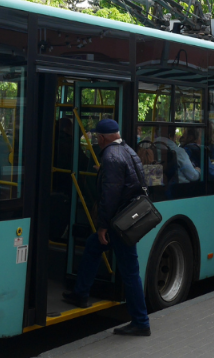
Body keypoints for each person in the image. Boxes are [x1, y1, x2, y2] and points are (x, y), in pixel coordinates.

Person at [63, 119, 151, 335]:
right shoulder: (128, 150)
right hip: (129, 217)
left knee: (130, 272)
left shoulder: (111, 156)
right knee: (93, 247)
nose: (97, 141)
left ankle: (141, 322)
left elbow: (109, 196)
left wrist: (102, 226)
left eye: (96, 138)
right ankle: (81, 293)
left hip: (118, 222)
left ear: (102, 138)